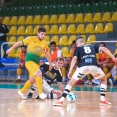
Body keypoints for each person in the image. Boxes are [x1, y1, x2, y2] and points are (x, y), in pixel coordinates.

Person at [53, 36, 117, 106]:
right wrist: (113, 57)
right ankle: (102, 99)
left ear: (77, 43)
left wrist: (70, 70)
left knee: (71, 83)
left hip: (83, 67)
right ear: (84, 42)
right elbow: (104, 48)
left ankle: (61, 101)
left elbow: (74, 59)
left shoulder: (77, 49)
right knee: (104, 79)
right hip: (94, 66)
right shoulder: (92, 46)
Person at [6, 27, 52, 99]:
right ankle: (40, 93)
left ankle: (21, 91)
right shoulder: (31, 38)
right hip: (29, 61)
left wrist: (50, 63)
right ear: (38, 33)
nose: (43, 36)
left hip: (36, 63)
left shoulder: (44, 43)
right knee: (39, 73)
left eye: (44, 34)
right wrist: (11, 48)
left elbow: (47, 54)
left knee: (32, 80)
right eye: (42, 34)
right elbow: (19, 43)